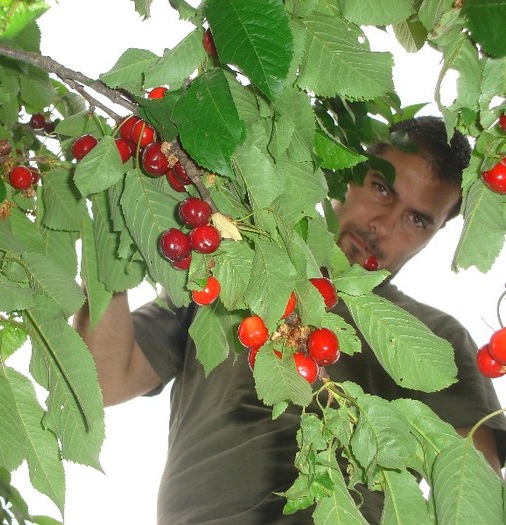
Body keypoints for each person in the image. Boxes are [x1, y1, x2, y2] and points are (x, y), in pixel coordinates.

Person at [74, 116, 506, 524]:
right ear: (349, 171)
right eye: (382, 188)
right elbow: (104, 381)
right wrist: (114, 220)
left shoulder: (434, 339)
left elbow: (473, 481)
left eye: (417, 219)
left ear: (434, 235)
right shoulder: (227, 268)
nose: (383, 225)